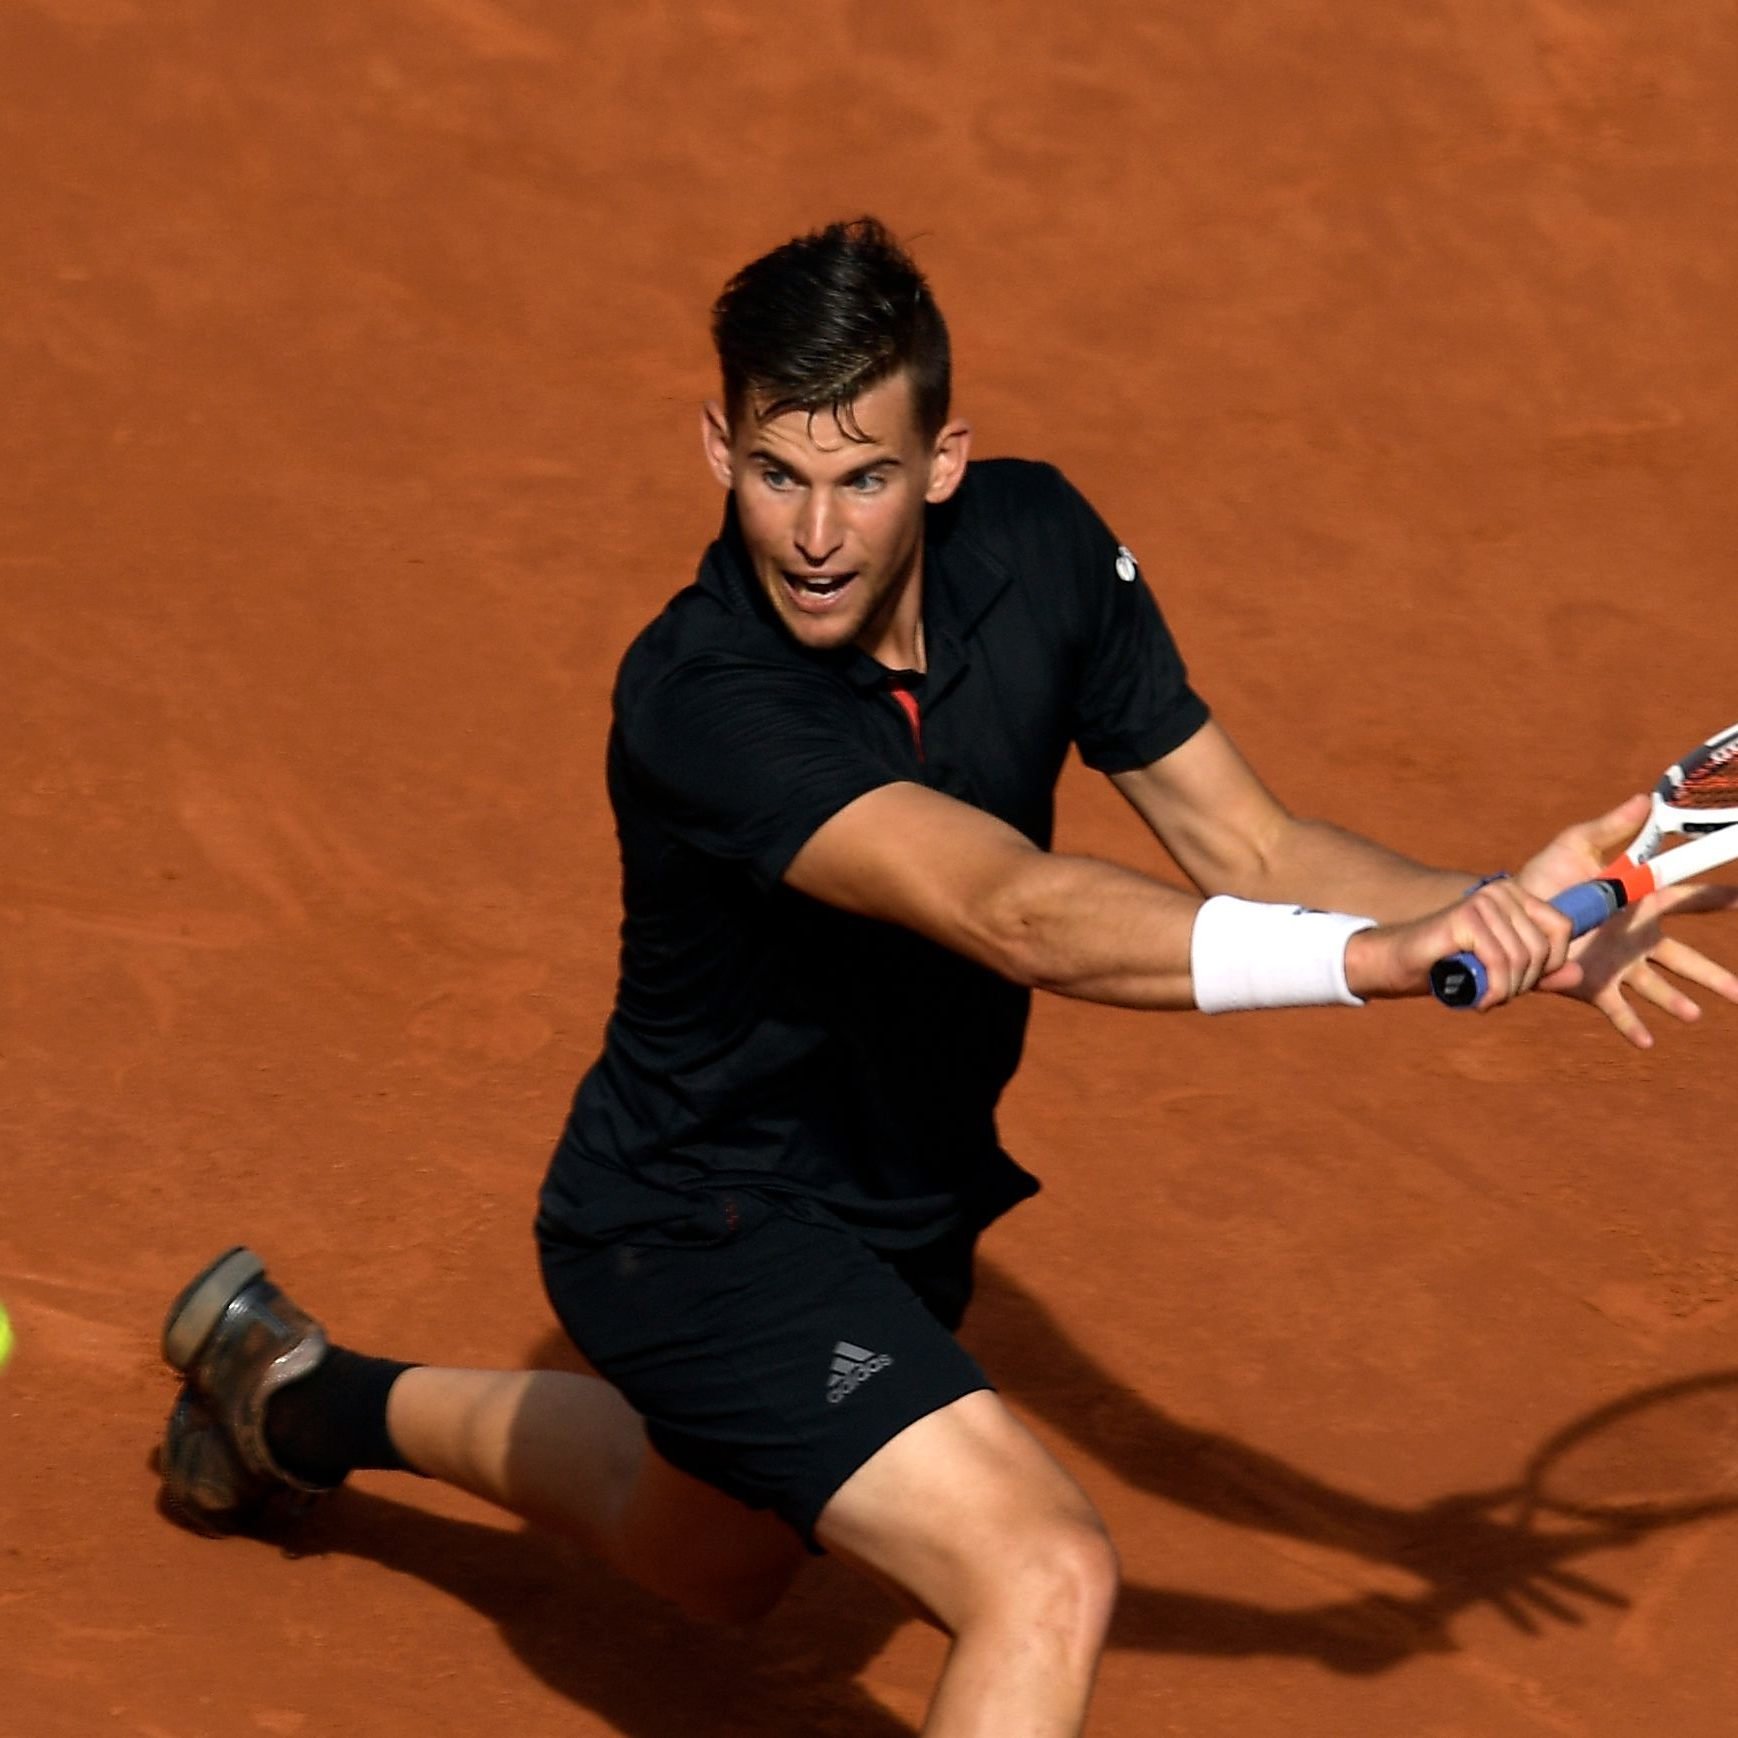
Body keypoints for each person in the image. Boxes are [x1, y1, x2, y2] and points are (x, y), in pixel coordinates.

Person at [156, 216, 1737, 1738]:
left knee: (706, 1559)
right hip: (696, 1217)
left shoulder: (1041, 544)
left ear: (945, 461)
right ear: (719, 449)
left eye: (861, 478)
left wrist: (1483, 908)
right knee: (1035, 1570)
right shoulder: (701, 692)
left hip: (894, 1212)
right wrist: (1384, 962)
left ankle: (298, 1392)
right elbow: (1011, 911)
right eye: (776, 475)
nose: (816, 533)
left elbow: (1248, 844)